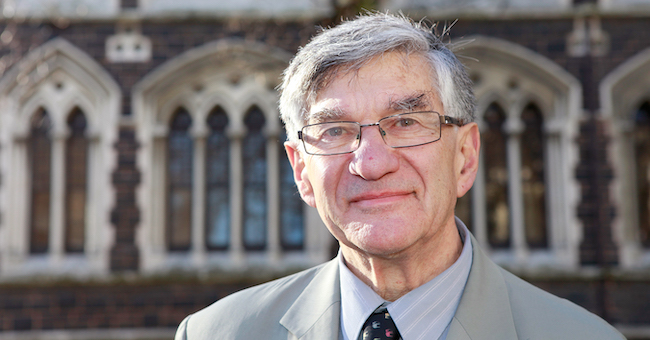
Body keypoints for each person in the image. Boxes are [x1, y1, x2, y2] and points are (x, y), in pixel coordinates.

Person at [175, 12, 625, 340]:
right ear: (301, 171)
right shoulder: (214, 334)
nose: (371, 163)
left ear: (465, 157)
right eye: (335, 131)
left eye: (407, 123)